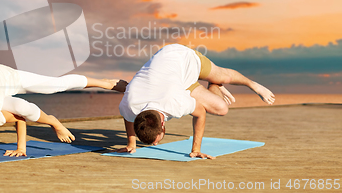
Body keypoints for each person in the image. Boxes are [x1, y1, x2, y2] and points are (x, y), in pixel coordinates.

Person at [116, 44, 275, 159]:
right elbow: (127, 116)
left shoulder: (175, 103)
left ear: (162, 124)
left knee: (223, 76)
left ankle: (248, 83)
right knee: (222, 109)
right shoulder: (130, 105)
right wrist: (132, 143)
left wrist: (196, 149)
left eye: (156, 141)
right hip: (174, 79)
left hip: (183, 58)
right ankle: (214, 85)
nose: (156, 145)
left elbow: (200, 113)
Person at [0, 63, 126, 157]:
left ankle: (106, 84)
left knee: (53, 87)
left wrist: (21, 148)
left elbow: (20, 118)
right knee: (3, 108)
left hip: (7, 78)